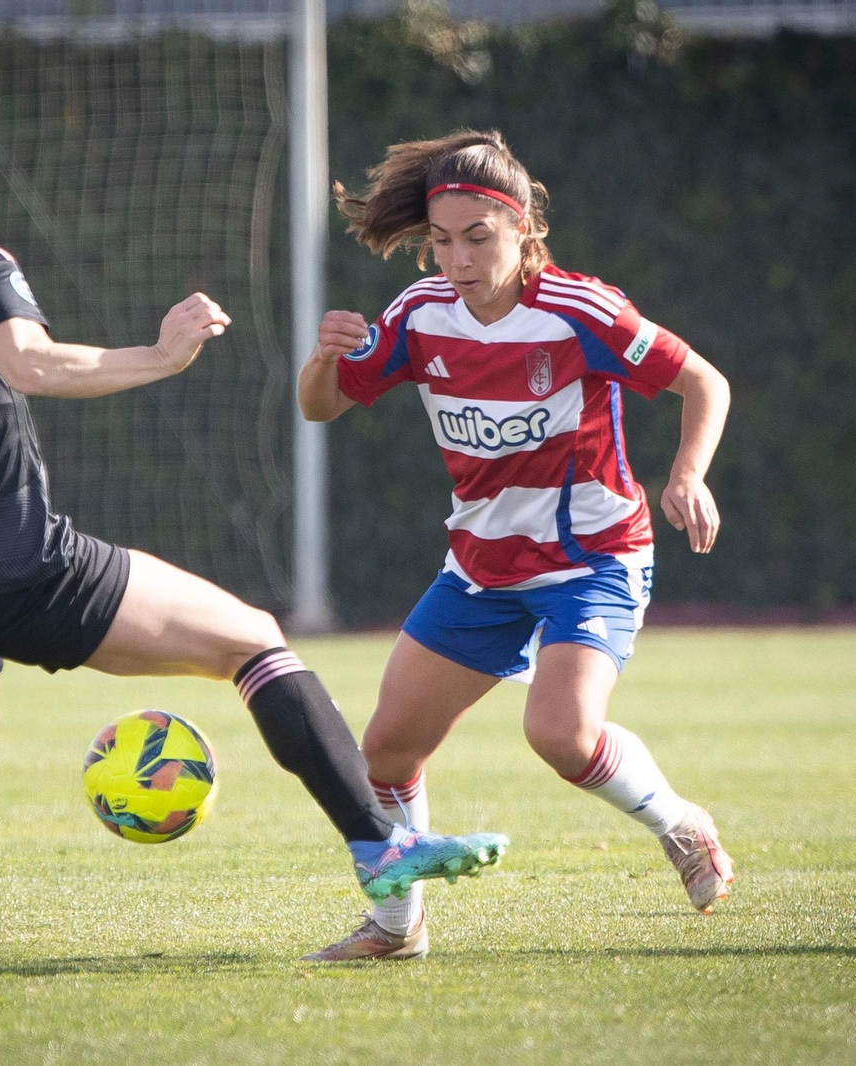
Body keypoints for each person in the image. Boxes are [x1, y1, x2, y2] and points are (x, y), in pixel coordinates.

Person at [0, 146, 507, 982]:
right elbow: (30, 365)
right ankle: (378, 844)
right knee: (252, 640)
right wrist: (161, 355)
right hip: (21, 563)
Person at [296, 130, 734, 961]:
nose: (457, 259)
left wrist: (688, 475)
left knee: (561, 734)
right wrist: (323, 361)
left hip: (593, 559)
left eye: (478, 237)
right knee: (385, 754)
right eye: (442, 241)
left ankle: (680, 823)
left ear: (525, 224)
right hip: (481, 569)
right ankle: (399, 927)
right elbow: (322, 407)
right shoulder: (420, 314)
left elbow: (702, 381)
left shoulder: (582, 311)